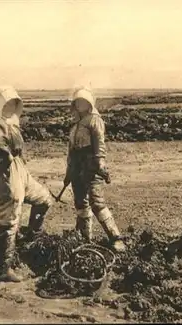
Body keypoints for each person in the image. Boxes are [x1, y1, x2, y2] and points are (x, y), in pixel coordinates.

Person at [0, 85, 53, 282]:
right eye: (6, 104)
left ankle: (32, 238)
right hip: (5, 175)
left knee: (44, 199)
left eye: (13, 104)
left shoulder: (11, 123)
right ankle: (2, 267)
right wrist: (6, 156)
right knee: (10, 220)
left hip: (20, 173)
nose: (10, 107)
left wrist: (17, 160)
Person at [64, 86, 125, 252]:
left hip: (91, 164)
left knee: (97, 202)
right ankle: (85, 238)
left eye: (84, 102)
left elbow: (100, 143)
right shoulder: (75, 124)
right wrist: (69, 171)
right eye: (78, 102)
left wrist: (100, 162)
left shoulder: (94, 120)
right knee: (80, 202)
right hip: (77, 165)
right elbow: (71, 150)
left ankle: (116, 237)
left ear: (90, 103)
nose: (81, 105)